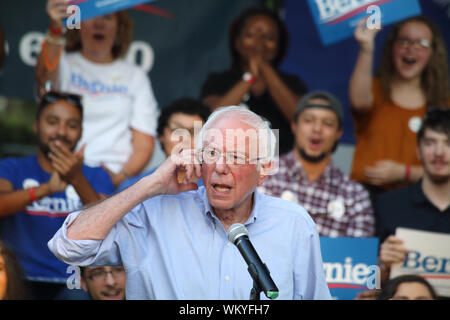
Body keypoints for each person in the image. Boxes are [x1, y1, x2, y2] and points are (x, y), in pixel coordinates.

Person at [48, 106, 331, 300]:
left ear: (264, 170)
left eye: (235, 157)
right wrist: (149, 185)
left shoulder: (293, 223)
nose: (220, 167)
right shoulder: (155, 211)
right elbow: (68, 246)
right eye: (211, 153)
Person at [0, 91, 114, 299]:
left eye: (72, 125)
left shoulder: (97, 175)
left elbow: (109, 225)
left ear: (81, 132)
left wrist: (77, 179)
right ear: (36, 126)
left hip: (73, 282)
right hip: (20, 279)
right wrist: (46, 189)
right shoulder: (11, 168)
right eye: (52, 122)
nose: (61, 132)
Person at [36, 0, 159, 187]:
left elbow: (144, 143)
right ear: (78, 25)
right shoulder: (64, 64)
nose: (99, 23)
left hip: (113, 179)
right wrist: (55, 26)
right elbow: (43, 78)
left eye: (108, 16)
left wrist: (118, 178)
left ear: (119, 27)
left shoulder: (135, 76)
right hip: (62, 172)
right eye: (92, 16)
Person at [349, 16, 449, 195]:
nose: (411, 49)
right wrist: (366, 49)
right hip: (367, 196)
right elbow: (359, 102)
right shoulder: (374, 89)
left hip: (422, 198)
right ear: (392, 47)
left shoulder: (444, 103)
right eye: (405, 41)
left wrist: (404, 172)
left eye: (422, 43)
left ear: (434, 52)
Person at [258, 91, 375, 237]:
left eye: (327, 123)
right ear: (294, 126)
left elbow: (359, 256)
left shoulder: (355, 196)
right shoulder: (263, 175)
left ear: (339, 133)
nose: (317, 129)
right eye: (308, 120)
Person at [200, 6, 307, 155]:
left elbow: (302, 119)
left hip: (280, 167)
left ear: (278, 47)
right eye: (250, 35)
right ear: (237, 43)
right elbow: (212, 118)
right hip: (229, 165)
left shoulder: (292, 83)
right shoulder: (219, 81)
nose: (259, 43)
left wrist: (264, 68)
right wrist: (250, 77)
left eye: (268, 38)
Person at [375, 109, 450, 283]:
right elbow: (370, 285)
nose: (439, 152)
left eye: (448, 143)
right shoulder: (388, 204)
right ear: (418, 151)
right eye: (430, 142)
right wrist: (382, 266)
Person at [117, 98, 210, 191]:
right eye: (176, 131)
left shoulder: (216, 185)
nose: (185, 139)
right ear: (161, 136)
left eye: (194, 132)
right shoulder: (132, 188)